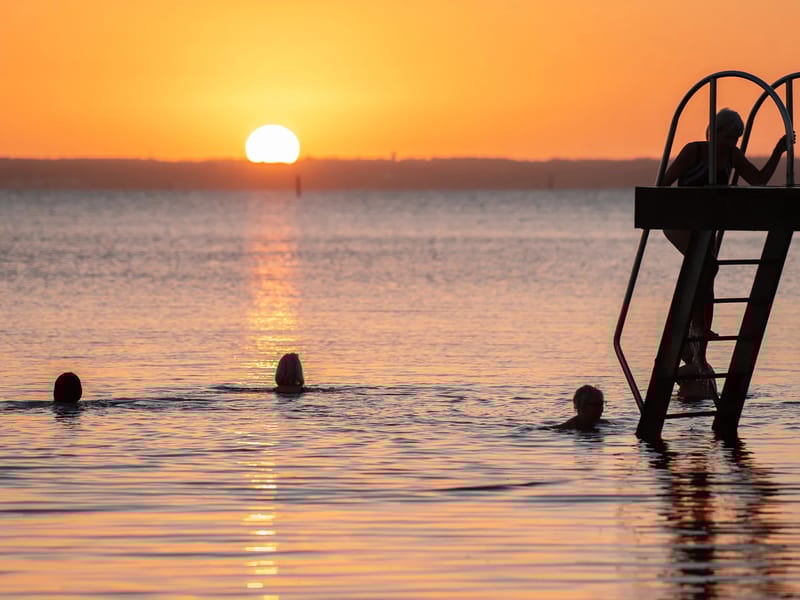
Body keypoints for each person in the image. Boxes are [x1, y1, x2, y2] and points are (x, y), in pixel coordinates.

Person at [661, 109, 795, 378]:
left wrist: (779, 151)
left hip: (704, 224)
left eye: (735, 138)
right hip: (679, 221)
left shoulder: (732, 155)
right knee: (706, 265)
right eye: (727, 137)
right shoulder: (694, 151)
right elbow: (664, 183)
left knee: (709, 271)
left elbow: (758, 180)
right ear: (715, 132)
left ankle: (698, 336)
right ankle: (694, 327)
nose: (730, 143)